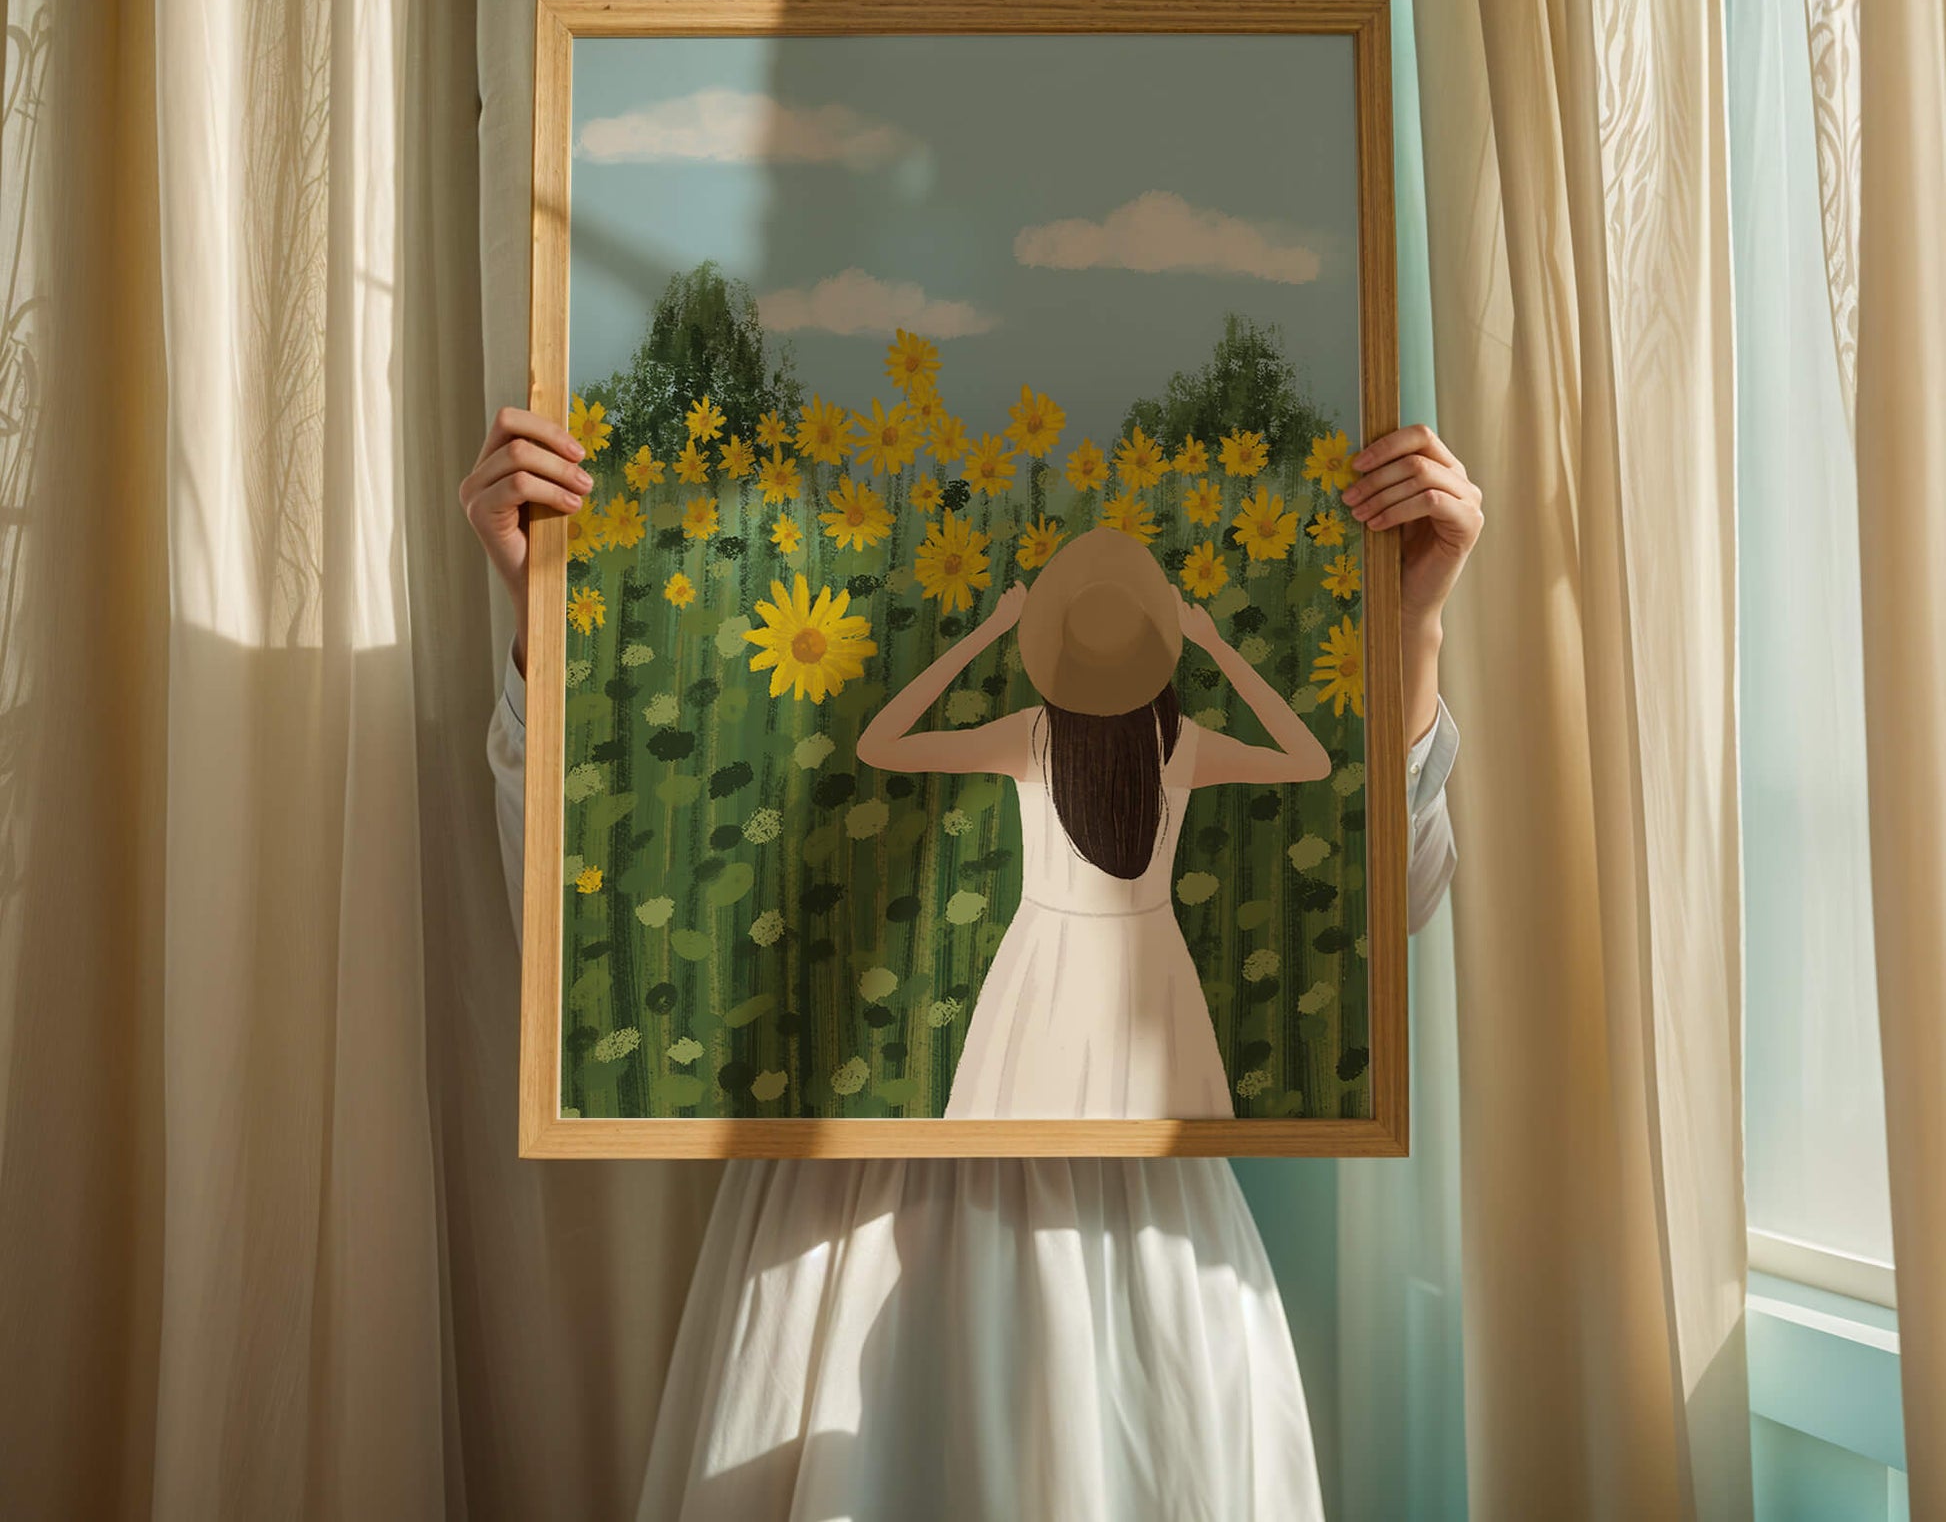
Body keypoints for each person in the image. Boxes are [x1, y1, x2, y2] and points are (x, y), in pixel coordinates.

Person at [463, 409, 1479, 1520]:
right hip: (842, 1210)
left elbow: (1401, 898)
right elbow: (559, 911)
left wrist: (1407, 627)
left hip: (1123, 1191)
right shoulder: (1090, 738)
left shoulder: (1095, 740)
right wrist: (543, 611)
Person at [855, 528, 1334, 1120]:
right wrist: (1216, 646)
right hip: (1148, 958)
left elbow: (879, 744)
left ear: (1059, 653)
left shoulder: (1029, 737)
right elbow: (1310, 761)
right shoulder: (1178, 745)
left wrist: (988, 632)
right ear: (1152, 656)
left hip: (1044, 958)